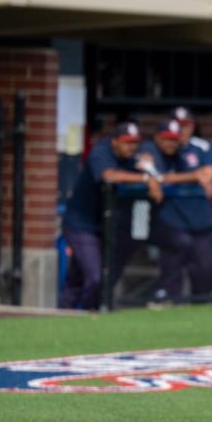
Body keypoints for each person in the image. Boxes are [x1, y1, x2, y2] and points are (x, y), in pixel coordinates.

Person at [59, 122, 162, 310]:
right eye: (126, 142)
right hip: (81, 224)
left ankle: (65, 313)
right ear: (114, 141)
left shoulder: (133, 158)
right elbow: (108, 175)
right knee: (96, 277)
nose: (131, 147)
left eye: (134, 143)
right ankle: (91, 313)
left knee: (77, 277)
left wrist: (150, 170)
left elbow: (158, 179)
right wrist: (146, 179)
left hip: (103, 226)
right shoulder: (101, 152)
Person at [136, 114, 212, 303]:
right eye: (168, 136)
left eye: (184, 128)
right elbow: (151, 172)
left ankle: (200, 306)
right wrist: (193, 176)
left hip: (198, 219)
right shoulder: (150, 149)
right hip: (157, 218)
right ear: (158, 136)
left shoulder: (195, 148)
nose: (174, 139)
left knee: (204, 268)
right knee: (176, 254)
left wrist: (167, 178)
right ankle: (166, 299)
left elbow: (207, 174)